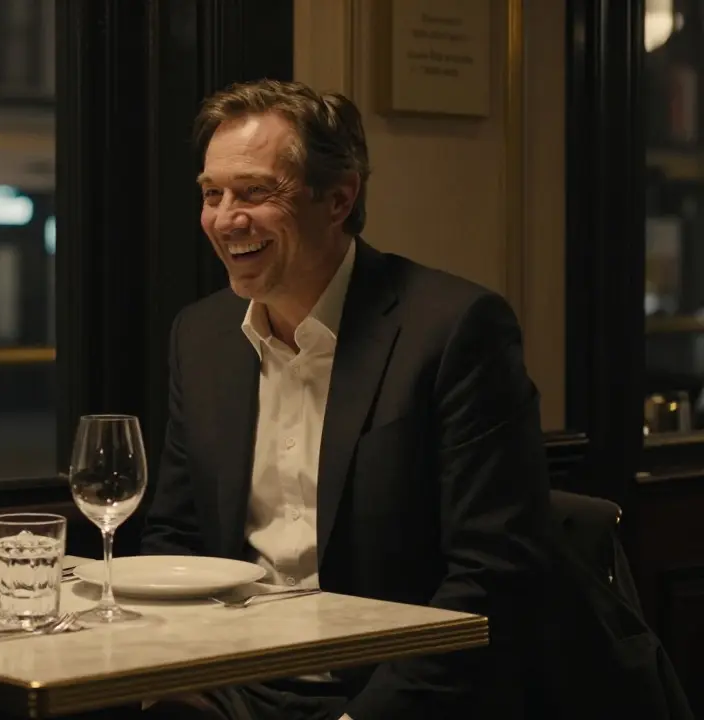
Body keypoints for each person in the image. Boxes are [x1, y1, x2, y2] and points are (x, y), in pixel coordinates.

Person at [141, 79, 556, 719]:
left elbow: (493, 573)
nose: (226, 218)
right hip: (233, 686)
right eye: (212, 194)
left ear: (338, 198)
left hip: (385, 691)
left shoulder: (454, 329)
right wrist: (179, 685)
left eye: (256, 192)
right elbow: (174, 537)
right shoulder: (200, 337)